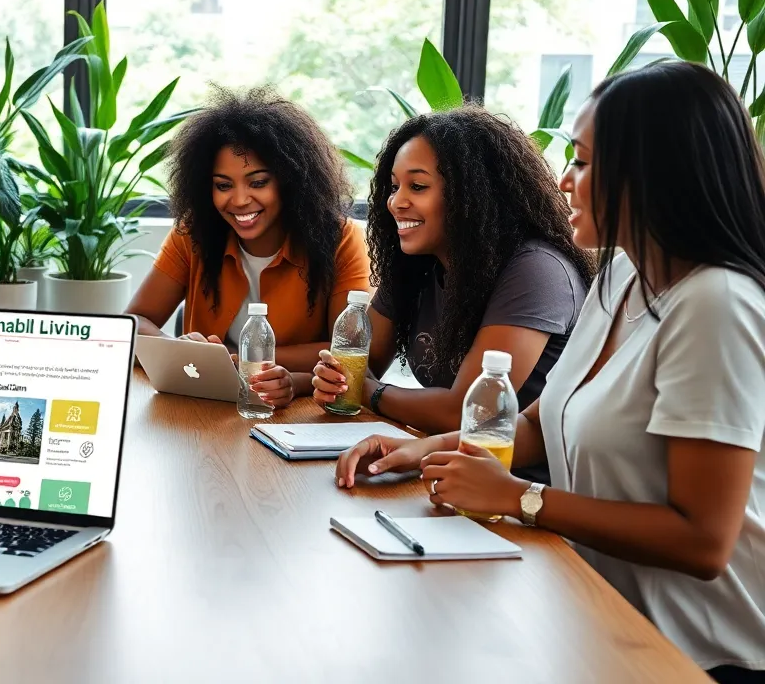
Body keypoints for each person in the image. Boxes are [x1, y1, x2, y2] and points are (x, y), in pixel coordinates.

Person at [336, 62, 765, 682]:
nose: (564, 180)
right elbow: (538, 423)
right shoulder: (622, 275)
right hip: (600, 615)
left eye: (584, 163)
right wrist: (423, 450)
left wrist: (520, 497)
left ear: (654, 174)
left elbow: (702, 541)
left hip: (701, 655)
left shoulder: (717, 303)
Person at [311, 107, 594, 464]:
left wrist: (367, 391)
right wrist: (315, 380)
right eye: (394, 187)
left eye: (418, 186)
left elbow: (465, 410)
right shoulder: (416, 265)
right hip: (443, 465)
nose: (396, 202)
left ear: (473, 194)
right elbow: (359, 364)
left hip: (516, 483)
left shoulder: (537, 271)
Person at [126, 88, 370, 409]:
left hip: (298, 411)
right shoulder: (193, 233)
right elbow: (133, 323)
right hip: (205, 407)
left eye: (258, 182)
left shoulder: (341, 238)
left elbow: (352, 353)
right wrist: (181, 351)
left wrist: (242, 360)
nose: (240, 200)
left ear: (290, 180)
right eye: (223, 185)